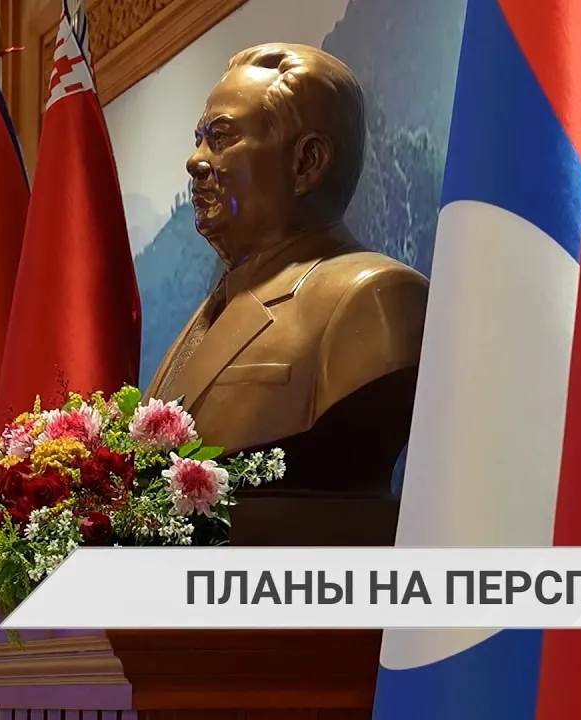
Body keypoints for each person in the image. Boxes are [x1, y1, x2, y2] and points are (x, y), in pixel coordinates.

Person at [146, 43, 427, 495]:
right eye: (199, 138)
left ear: (307, 162)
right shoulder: (214, 308)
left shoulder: (376, 299)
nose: (195, 161)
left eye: (221, 138)